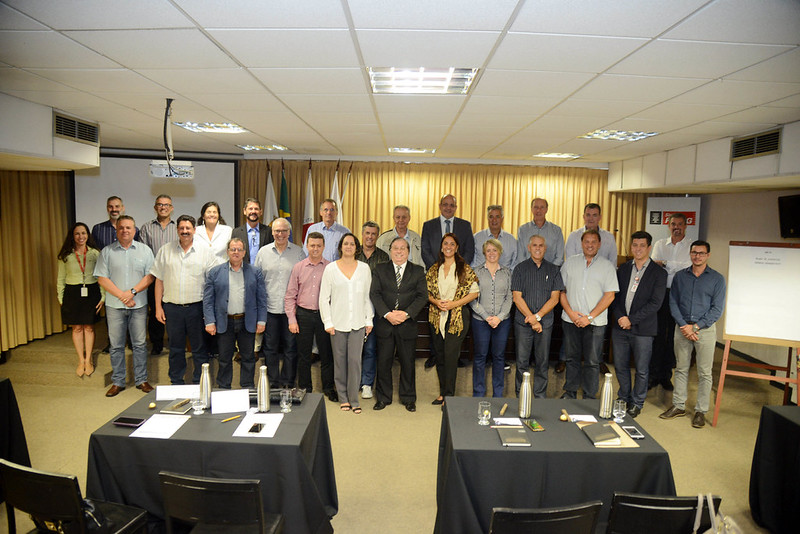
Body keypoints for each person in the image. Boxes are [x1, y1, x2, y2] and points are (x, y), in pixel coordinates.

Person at [660, 240, 726, 429]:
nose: (697, 256)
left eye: (701, 253)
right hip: (682, 328)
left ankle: (700, 411)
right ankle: (679, 406)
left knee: (705, 373)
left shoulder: (717, 279)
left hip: (704, 330)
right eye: (694, 252)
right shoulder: (680, 276)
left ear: (708, 255)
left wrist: (695, 327)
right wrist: (684, 325)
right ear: (690, 254)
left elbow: (717, 309)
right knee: (681, 368)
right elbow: (673, 302)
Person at [150, 215, 217, 385]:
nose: (185, 231)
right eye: (181, 228)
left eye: (188, 228)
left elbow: (212, 284)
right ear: (177, 230)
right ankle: (176, 382)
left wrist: (210, 311)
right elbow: (159, 280)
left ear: (194, 230)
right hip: (172, 309)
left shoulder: (205, 252)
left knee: (200, 349)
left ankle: (200, 383)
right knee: (175, 349)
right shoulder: (165, 250)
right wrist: (158, 307)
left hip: (197, 308)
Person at [94, 215, 154, 397]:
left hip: (138, 305)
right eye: (121, 228)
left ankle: (141, 380)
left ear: (134, 230)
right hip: (115, 306)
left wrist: (132, 292)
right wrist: (123, 295)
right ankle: (118, 382)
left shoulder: (145, 251)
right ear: (116, 230)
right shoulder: (107, 252)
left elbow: (150, 276)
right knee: (116, 345)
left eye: (128, 227)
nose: (125, 230)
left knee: (140, 344)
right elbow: (102, 278)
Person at [611, 231, 667, 418]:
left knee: (642, 369)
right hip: (620, 327)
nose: (638, 249)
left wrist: (631, 320)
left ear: (649, 248)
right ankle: (624, 397)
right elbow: (615, 296)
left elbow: (655, 303)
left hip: (643, 329)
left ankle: (637, 402)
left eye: (642, 245)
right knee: (620, 366)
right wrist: (621, 317)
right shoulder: (623, 269)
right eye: (635, 245)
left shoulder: (659, 273)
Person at [369, 237, 428, 411]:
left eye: (403, 248)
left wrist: (406, 314)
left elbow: (422, 296)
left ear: (408, 251)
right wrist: (387, 314)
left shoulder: (418, 271)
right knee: (383, 362)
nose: (399, 251)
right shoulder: (380, 269)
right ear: (390, 251)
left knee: (408, 363)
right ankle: (383, 398)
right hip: (385, 323)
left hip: (407, 324)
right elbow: (375, 294)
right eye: (396, 248)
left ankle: (408, 398)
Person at [559, 230, 619, 399]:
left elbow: (610, 296)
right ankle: (570, 393)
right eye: (587, 241)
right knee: (571, 359)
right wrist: (571, 314)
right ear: (581, 243)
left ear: (599, 244)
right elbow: (561, 291)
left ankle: (589, 397)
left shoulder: (607, 266)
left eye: (593, 242)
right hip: (570, 320)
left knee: (592, 362)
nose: (590, 245)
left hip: (595, 323)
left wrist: (589, 317)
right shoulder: (570, 263)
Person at [319, 233, 374, 414]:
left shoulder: (364, 269)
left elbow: (367, 296)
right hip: (337, 323)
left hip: (358, 323)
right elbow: (323, 298)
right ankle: (343, 398)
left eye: (352, 244)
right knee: (340, 362)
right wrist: (328, 322)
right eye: (345, 244)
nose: (348, 246)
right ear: (340, 247)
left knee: (355, 362)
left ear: (356, 247)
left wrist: (369, 319)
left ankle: (354, 399)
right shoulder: (331, 269)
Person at [203, 238, 267, 389]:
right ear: (227, 252)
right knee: (224, 358)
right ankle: (224, 388)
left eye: (239, 249)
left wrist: (261, 321)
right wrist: (209, 321)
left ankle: (247, 388)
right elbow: (208, 300)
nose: (236, 252)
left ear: (244, 252)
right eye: (233, 249)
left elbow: (262, 298)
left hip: (247, 321)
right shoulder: (215, 272)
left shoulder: (255, 272)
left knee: (248, 358)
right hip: (224, 321)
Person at [421, 194, 475, 369]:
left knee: (455, 326)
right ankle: (435, 355)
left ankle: (455, 356)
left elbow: (469, 250)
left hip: (457, 279)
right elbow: (425, 250)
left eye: (452, 205)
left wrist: (458, 268)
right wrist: (437, 269)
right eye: (445, 204)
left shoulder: (465, 225)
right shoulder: (428, 225)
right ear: (440, 206)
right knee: (435, 321)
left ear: (456, 207)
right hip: (436, 277)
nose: (448, 207)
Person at [427, 233, 479, 405]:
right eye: (445, 244)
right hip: (437, 315)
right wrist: (436, 302)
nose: (448, 247)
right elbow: (425, 291)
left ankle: (449, 396)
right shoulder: (434, 268)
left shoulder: (464, 268)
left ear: (456, 248)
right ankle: (442, 393)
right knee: (440, 354)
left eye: (452, 244)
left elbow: (474, 292)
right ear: (441, 247)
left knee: (450, 355)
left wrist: (453, 304)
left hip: (457, 316)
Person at [254, 217, 306, 388]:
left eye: (284, 230)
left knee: (291, 348)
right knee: (270, 348)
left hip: (292, 311)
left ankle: (288, 383)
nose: (280, 234)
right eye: (277, 231)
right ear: (272, 232)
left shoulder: (298, 253)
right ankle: (273, 383)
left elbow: (303, 281)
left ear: (289, 232)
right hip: (269, 309)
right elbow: (257, 281)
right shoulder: (263, 253)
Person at [285, 232, 337, 401]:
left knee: (326, 354)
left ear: (324, 247)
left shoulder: (331, 268)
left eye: (318, 246)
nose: (315, 248)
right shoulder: (298, 267)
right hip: (304, 315)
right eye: (312, 245)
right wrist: (292, 319)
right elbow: (290, 295)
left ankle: (328, 388)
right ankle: (305, 388)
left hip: (324, 316)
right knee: (304, 355)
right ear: (307, 246)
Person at [511, 235, 564, 398]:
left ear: (545, 248)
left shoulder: (554, 270)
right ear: (529, 248)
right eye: (534, 245)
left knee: (542, 362)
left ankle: (540, 397)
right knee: (522, 362)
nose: (538, 248)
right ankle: (521, 396)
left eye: (541, 245)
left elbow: (555, 298)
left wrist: (538, 317)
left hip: (545, 323)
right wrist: (532, 319)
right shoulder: (520, 269)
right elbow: (517, 298)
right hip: (523, 323)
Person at [649, 213, 692, 391]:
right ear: (669, 226)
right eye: (673, 224)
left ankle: (666, 376)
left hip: (680, 295)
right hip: (661, 294)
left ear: (685, 226)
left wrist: (666, 263)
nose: (676, 227)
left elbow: (687, 268)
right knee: (658, 335)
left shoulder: (690, 246)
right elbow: (653, 265)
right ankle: (653, 375)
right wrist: (674, 265)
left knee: (673, 338)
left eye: (680, 224)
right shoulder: (660, 244)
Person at [57, 222, 105, 377]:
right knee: (77, 328)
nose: (81, 236)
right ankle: (81, 360)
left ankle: (88, 359)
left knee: (89, 328)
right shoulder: (65, 256)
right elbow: (60, 279)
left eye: (83, 233)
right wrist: (61, 298)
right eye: (77, 233)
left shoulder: (95, 254)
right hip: (72, 293)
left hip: (92, 292)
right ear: (72, 236)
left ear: (88, 235)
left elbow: (101, 276)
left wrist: (103, 296)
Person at [469, 239, 512, 397]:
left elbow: (509, 298)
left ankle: (498, 395)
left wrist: (499, 318)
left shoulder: (507, 272)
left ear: (500, 252)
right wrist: (487, 317)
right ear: (484, 253)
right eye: (488, 250)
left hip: (502, 322)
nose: (492, 253)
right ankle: (478, 393)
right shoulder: (476, 272)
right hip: (481, 321)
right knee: (480, 356)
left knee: (499, 357)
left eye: (495, 250)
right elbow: (472, 298)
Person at [138, 194, 177, 355]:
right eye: (160, 204)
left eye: (166, 205)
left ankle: (175, 342)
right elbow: (143, 253)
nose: (163, 207)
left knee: (173, 311)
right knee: (155, 310)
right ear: (155, 207)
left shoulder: (177, 228)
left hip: (173, 277)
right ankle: (157, 344)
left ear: (171, 208)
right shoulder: (146, 228)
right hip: (154, 277)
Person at [356, 221, 390, 399]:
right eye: (367, 233)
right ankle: (354, 381)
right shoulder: (353, 254)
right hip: (354, 308)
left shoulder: (384, 257)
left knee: (370, 348)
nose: (370, 237)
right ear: (362, 234)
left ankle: (367, 383)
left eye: (373, 234)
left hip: (375, 308)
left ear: (377, 236)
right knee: (354, 348)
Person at [516, 197, 564, 267]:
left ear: (546, 210)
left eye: (542, 207)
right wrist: (529, 270)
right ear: (531, 209)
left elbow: (560, 257)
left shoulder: (556, 231)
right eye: (536, 207)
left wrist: (550, 270)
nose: (538, 210)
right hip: (527, 271)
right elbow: (520, 256)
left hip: (551, 271)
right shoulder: (523, 230)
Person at [231, 198, 273, 265]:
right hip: (243, 270)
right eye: (250, 209)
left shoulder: (268, 231)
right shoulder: (236, 232)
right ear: (244, 211)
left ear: (261, 212)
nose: (253, 211)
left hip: (263, 270)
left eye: (256, 209)